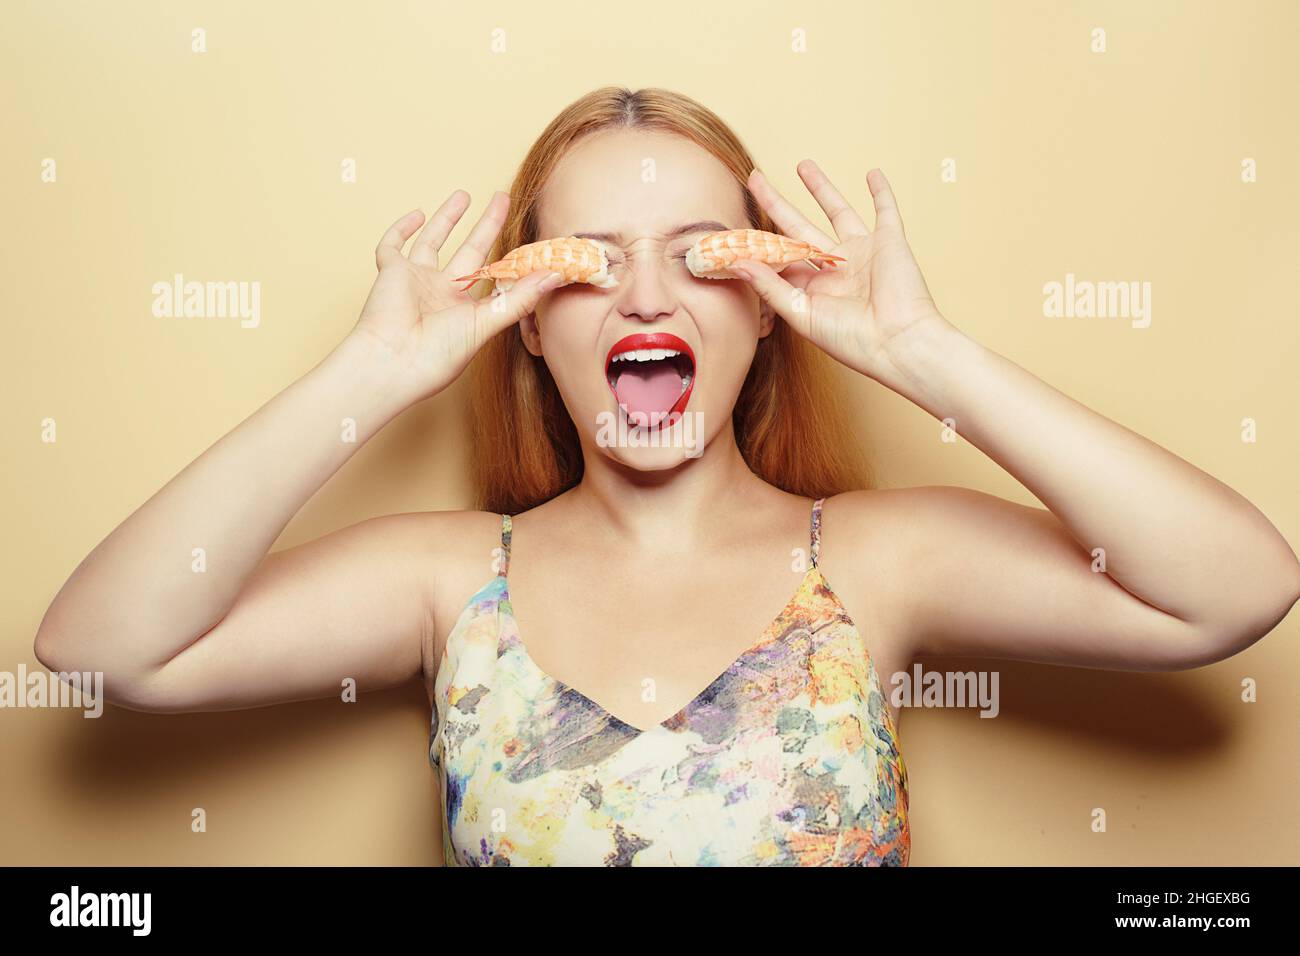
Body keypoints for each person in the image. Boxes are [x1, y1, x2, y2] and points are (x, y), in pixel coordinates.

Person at [33, 87, 1300, 867]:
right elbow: (102, 648)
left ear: (767, 311)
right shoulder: (446, 578)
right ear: (527, 321)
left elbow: (1233, 588)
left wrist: (922, 349)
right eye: (588, 264)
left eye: (703, 258)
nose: (646, 295)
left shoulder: (872, 561)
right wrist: (369, 371)